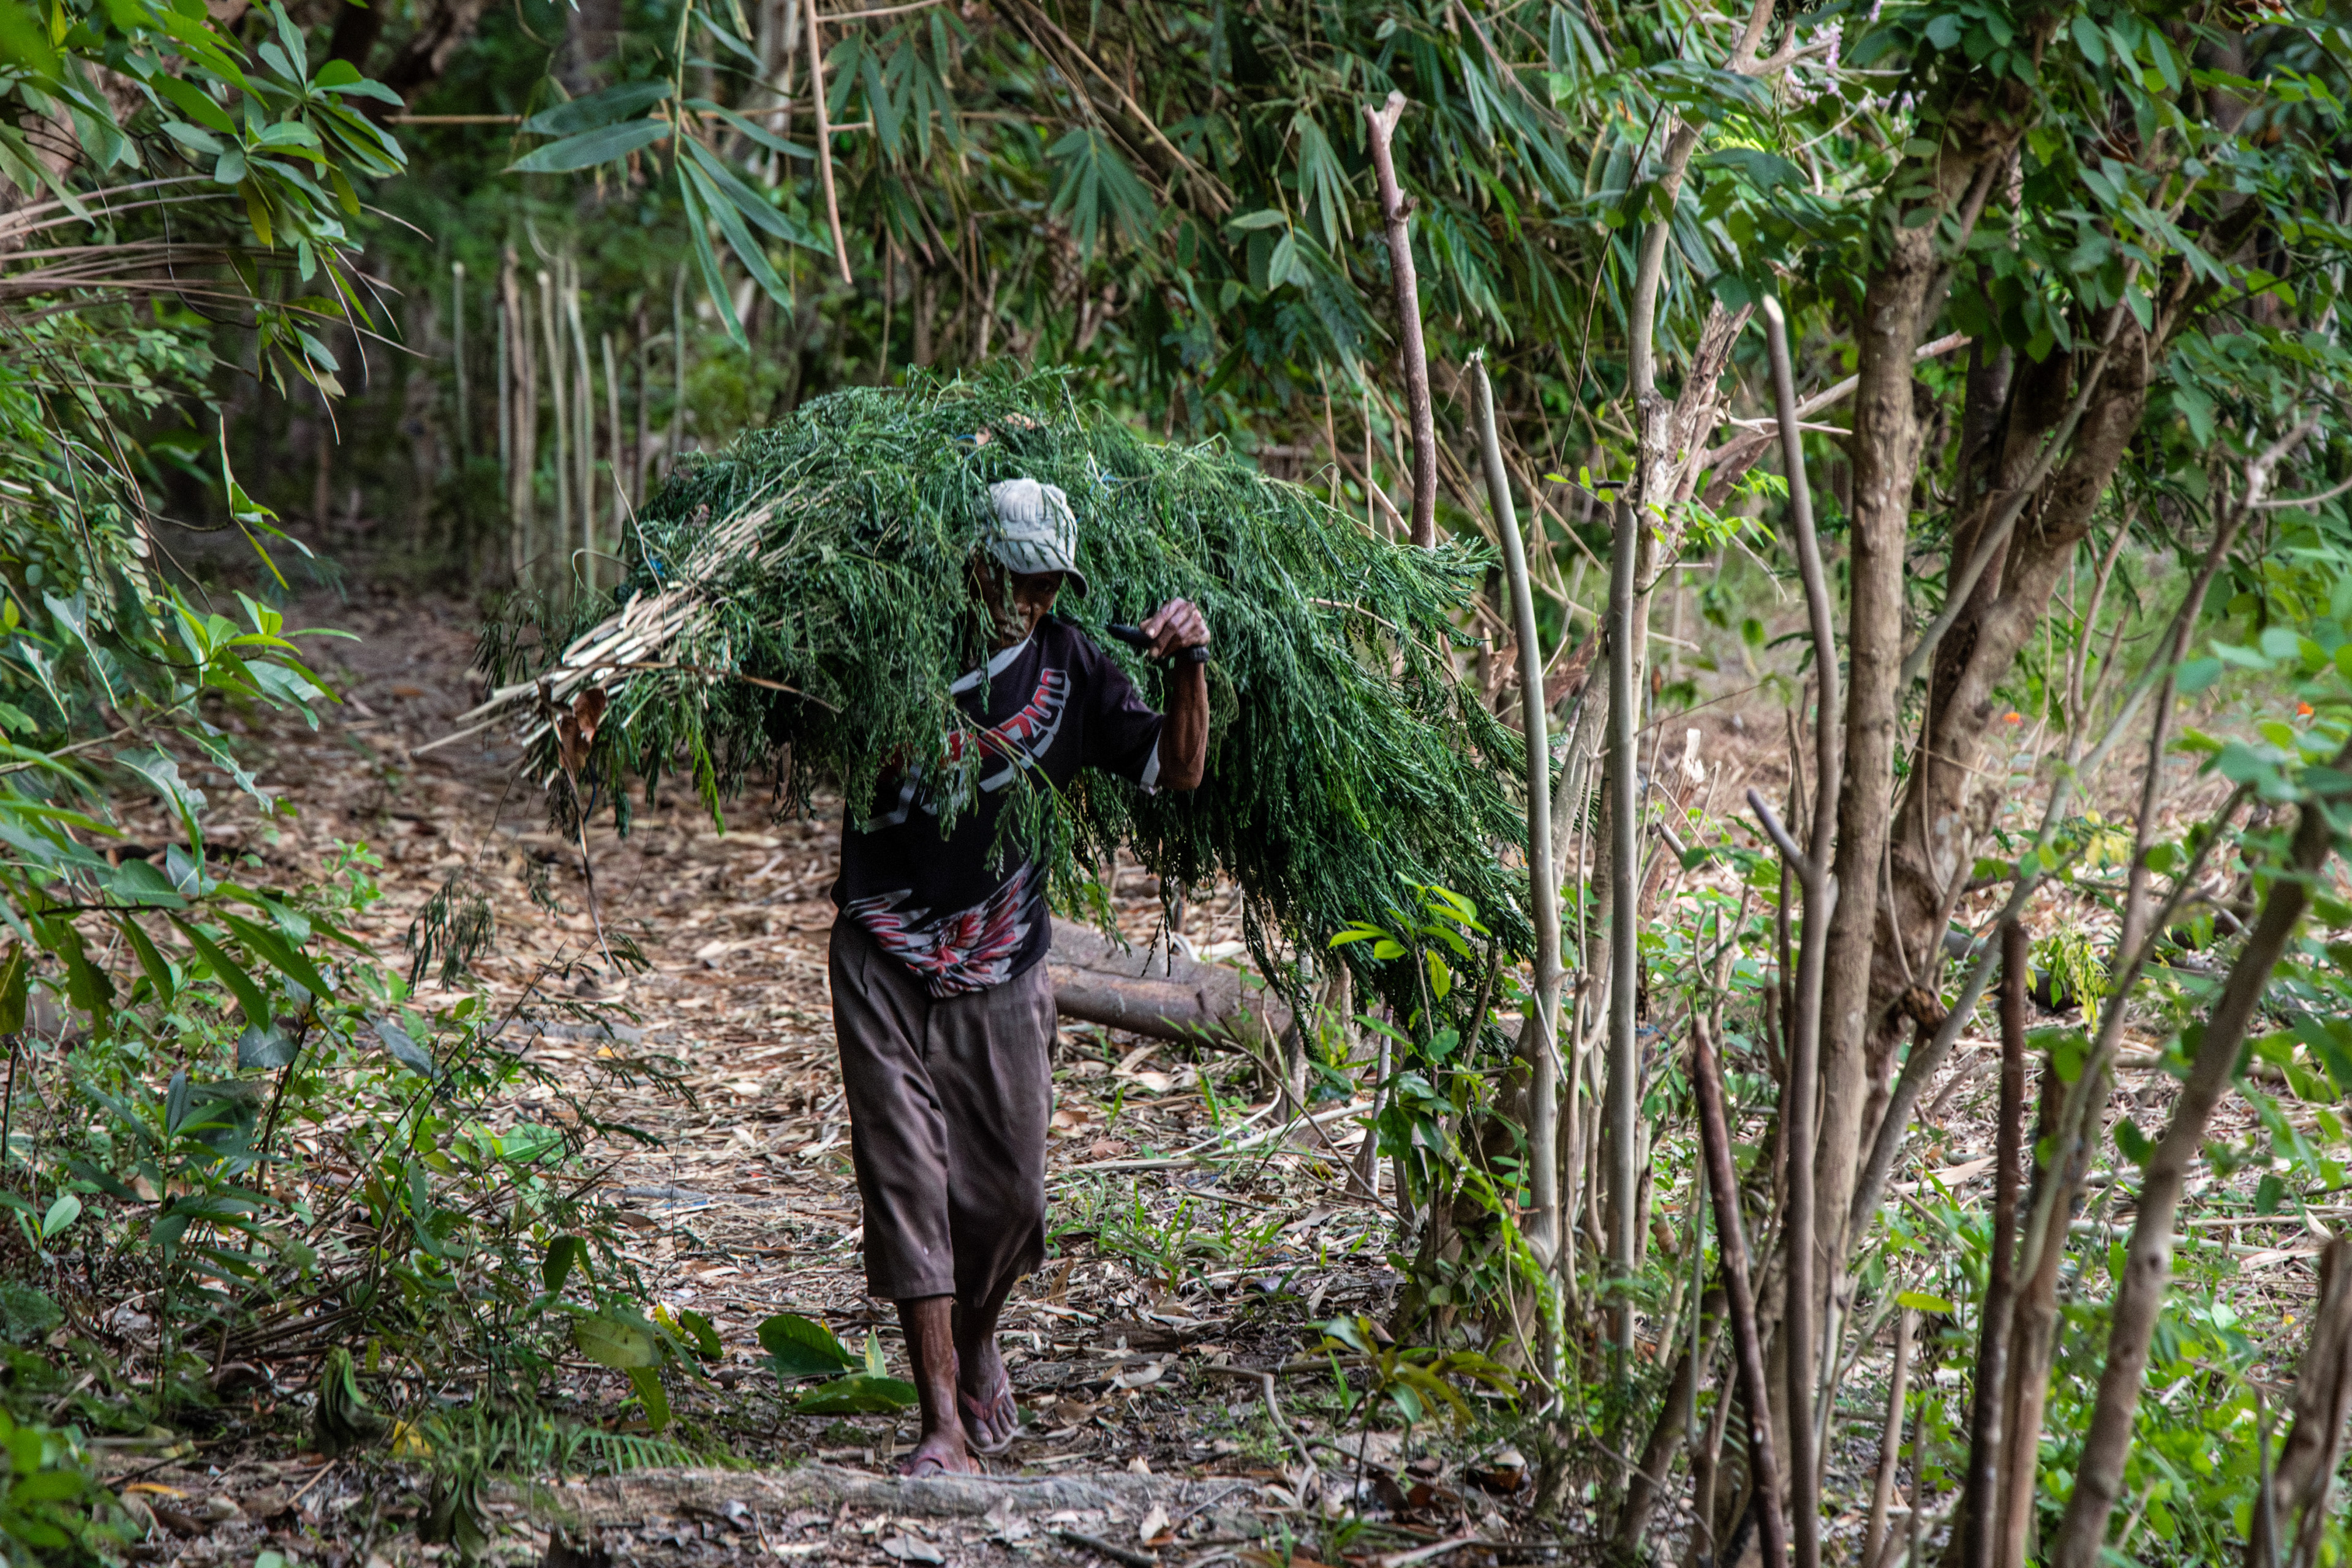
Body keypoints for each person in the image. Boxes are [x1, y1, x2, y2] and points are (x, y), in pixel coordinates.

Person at [826, 476, 1210, 1476]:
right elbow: (777, 680)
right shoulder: (891, 646)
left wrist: (1189, 668)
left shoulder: (1073, 666)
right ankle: (941, 1426)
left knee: (1010, 1203)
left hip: (1003, 960)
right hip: (883, 950)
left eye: (1044, 583)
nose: (1026, 599)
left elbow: (1180, 772)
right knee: (908, 1178)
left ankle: (980, 1334)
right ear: (972, 564)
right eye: (1011, 576)